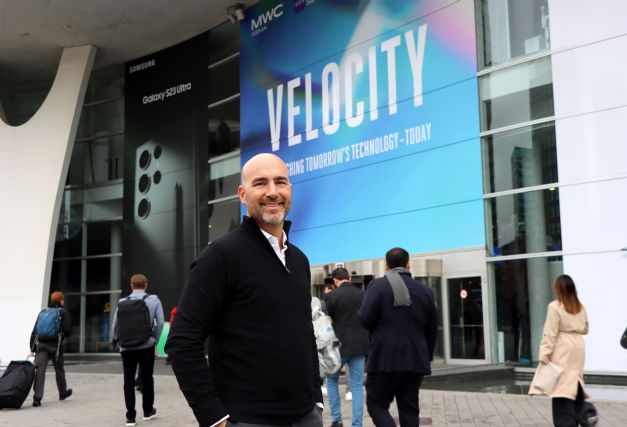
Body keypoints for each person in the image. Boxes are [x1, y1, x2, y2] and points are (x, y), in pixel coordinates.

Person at [166, 153, 323, 427]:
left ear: (290, 189)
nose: (272, 192)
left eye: (280, 182)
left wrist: (316, 400)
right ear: (242, 194)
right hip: (248, 420)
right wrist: (214, 417)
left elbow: (305, 333)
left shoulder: (299, 260)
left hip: (306, 417)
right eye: (260, 183)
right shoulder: (220, 256)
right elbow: (182, 341)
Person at [358, 247, 438, 427]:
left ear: (386, 266)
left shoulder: (377, 286)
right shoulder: (425, 291)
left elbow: (365, 319)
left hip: (385, 358)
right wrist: (427, 356)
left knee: (376, 404)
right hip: (415, 359)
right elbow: (432, 329)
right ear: (408, 264)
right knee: (409, 408)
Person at [530, 274, 590, 427]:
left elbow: (550, 332)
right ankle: (579, 417)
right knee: (574, 382)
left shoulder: (555, 306)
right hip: (578, 345)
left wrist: (545, 352)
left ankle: (566, 423)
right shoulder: (580, 306)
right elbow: (585, 329)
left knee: (561, 388)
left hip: (563, 346)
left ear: (559, 289)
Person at [112, 273, 165, 426]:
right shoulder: (154, 299)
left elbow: (115, 324)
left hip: (126, 347)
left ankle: (130, 417)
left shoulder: (122, 302)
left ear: (131, 285)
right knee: (147, 378)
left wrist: (119, 341)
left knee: (128, 380)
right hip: (146, 346)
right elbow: (160, 322)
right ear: (146, 285)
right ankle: (148, 411)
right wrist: (154, 339)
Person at [324, 268, 369, 427]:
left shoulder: (331, 296)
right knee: (357, 386)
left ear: (335, 281)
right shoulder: (363, 295)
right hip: (360, 346)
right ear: (349, 278)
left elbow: (326, 322)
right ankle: (357, 424)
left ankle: (337, 420)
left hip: (338, 348)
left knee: (331, 381)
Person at [29, 291, 73, 407]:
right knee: (59, 369)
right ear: (61, 301)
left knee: (40, 370)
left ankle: (37, 398)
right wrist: (64, 334)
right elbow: (68, 331)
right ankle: (62, 392)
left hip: (41, 345)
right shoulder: (63, 312)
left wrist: (32, 348)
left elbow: (35, 331)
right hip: (55, 346)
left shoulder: (43, 312)